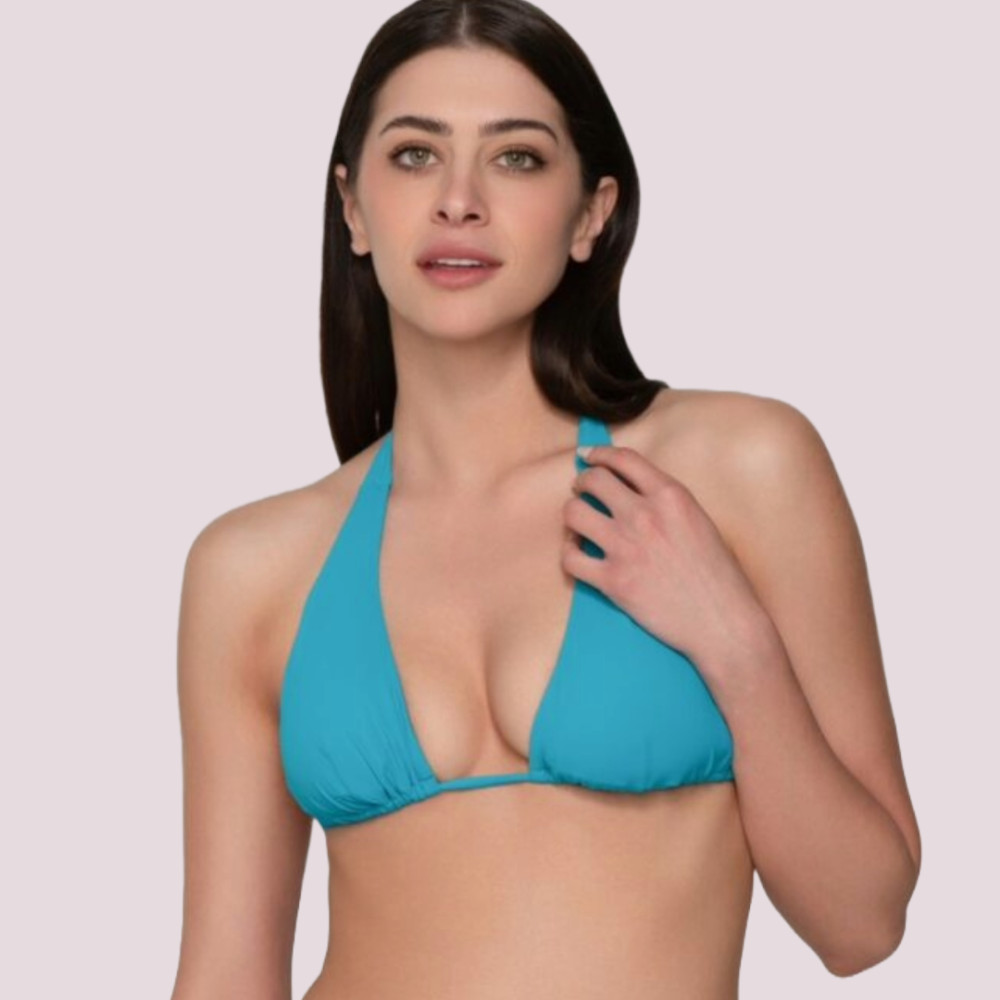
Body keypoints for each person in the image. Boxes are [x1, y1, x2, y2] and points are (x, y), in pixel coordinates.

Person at [170, 1, 921, 997]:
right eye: (414, 156)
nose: (459, 201)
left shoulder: (740, 468)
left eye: (516, 157)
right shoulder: (255, 567)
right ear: (351, 207)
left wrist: (735, 643)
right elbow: (225, 973)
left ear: (591, 214)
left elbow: (861, 924)